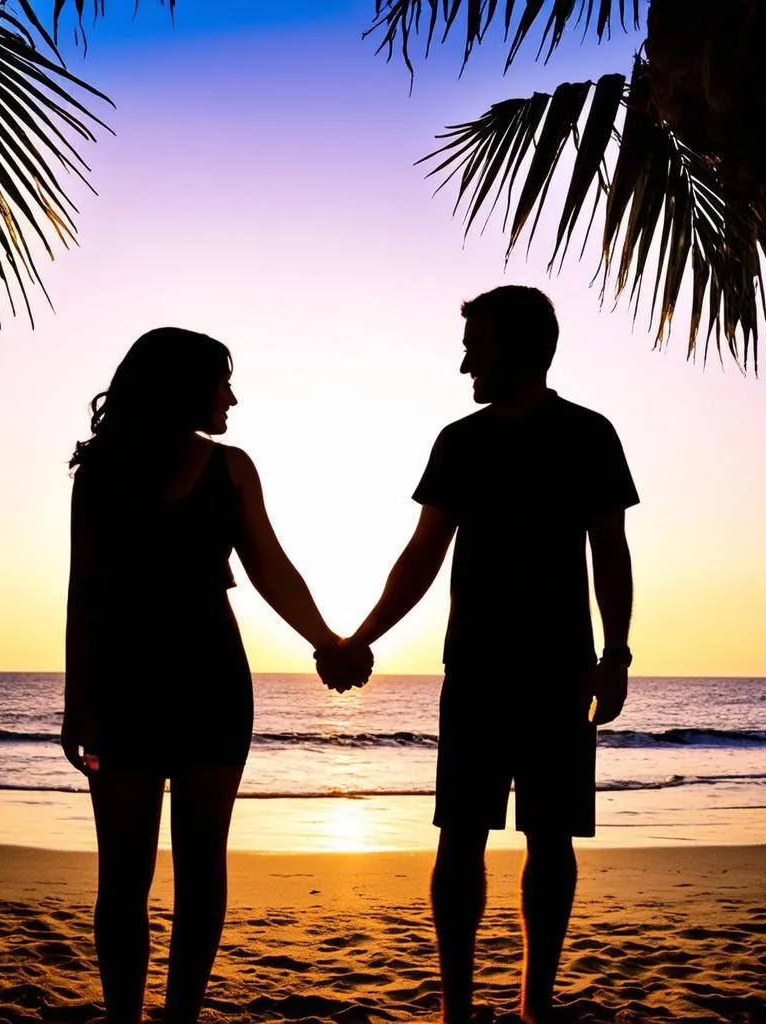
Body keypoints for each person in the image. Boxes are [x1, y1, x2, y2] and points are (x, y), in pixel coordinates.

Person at [332, 286, 638, 1024]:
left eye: (477, 342)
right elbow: (422, 557)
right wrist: (362, 636)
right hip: (473, 668)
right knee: (459, 837)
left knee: (551, 838)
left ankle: (535, 1004)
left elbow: (611, 554)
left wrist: (616, 655)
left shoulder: (589, 434)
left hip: (562, 670)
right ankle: (458, 1010)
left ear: (519, 349)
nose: (464, 358)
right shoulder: (460, 442)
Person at [61, 327, 371, 1024]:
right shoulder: (103, 473)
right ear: (186, 388)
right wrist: (75, 703)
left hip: (195, 688)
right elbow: (84, 587)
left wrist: (330, 640)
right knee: (128, 878)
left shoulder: (228, 469)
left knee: (194, 871)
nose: (232, 396)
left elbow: (270, 570)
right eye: (221, 382)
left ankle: (175, 1020)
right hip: (140, 689)